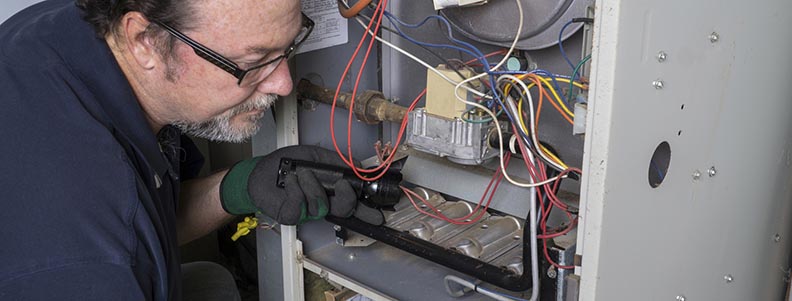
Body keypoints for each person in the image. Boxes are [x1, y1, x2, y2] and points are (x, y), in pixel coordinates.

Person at [0, 0, 382, 299]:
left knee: (213, 282)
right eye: (252, 62)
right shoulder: (93, 262)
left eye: (288, 47)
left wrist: (240, 185)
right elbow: (120, 234)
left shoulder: (72, 28)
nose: (283, 84)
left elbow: (149, 216)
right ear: (144, 40)